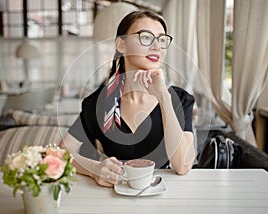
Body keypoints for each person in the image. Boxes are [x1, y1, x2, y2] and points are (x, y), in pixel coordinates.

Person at [60, 10, 195, 188]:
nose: (156, 46)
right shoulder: (98, 103)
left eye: (162, 40)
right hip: (112, 198)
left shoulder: (179, 99)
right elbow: (58, 153)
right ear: (121, 45)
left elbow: (183, 166)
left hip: (166, 198)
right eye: (146, 37)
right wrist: (94, 169)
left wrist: (163, 96)